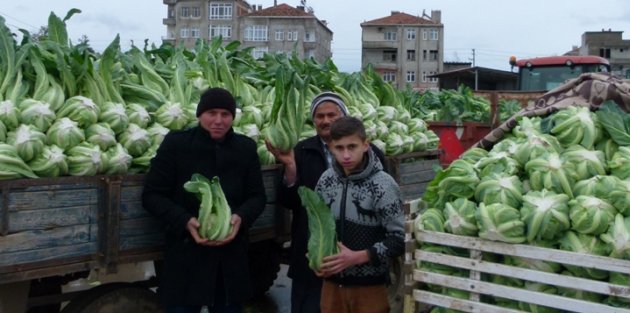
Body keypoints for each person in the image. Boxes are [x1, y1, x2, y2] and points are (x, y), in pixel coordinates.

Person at [142, 87, 266, 313]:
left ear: (233, 117)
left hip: (230, 257)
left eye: (225, 114)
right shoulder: (176, 144)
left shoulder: (245, 148)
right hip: (185, 256)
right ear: (200, 114)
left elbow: (257, 197)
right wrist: (185, 220)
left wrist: (240, 217)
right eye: (212, 113)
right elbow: (152, 195)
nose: (218, 120)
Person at [266, 92, 386, 313]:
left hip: (355, 257)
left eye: (332, 114)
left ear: (344, 115)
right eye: (319, 116)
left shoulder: (372, 154)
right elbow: (288, 202)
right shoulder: (300, 150)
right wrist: (291, 168)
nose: (326, 120)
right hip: (313, 254)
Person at [314, 116, 405, 313]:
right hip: (331, 287)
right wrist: (315, 258)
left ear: (365, 145)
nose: (346, 155)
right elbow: (316, 228)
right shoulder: (325, 181)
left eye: (352, 146)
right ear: (330, 148)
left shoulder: (383, 185)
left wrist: (358, 257)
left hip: (370, 288)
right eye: (339, 148)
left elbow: (399, 240)